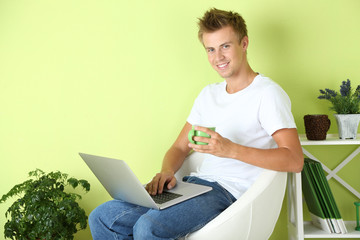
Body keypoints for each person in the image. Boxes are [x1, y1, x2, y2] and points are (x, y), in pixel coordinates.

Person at [88, 8, 304, 239]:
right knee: (102, 216)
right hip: (192, 186)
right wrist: (167, 171)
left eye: (225, 46)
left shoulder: (267, 94)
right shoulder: (208, 95)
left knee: (148, 227)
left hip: (227, 193)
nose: (218, 57)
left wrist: (230, 149)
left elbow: (294, 159)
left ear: (244, 43)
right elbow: (180, 147)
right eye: (210, 49)